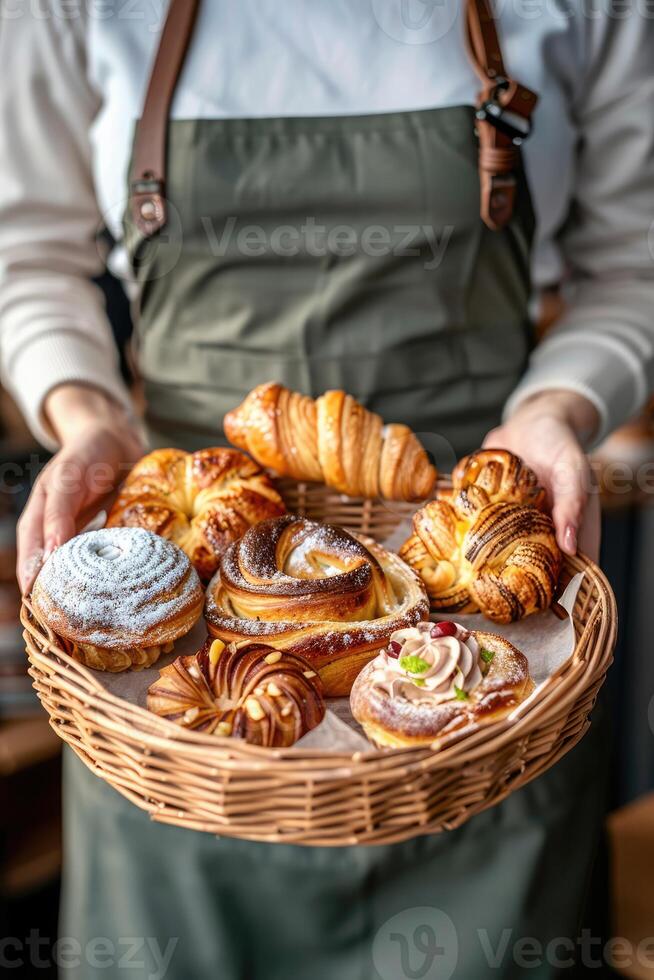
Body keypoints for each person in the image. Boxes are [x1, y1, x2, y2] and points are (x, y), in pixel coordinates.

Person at [2, 2, 653, 977]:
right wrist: (86, 414)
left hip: (477, 645)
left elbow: (635, 261)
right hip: (187, 668)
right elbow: (29, 254)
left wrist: (557, 411)